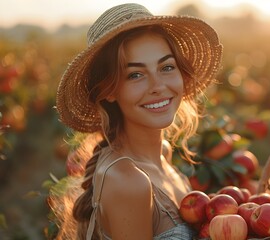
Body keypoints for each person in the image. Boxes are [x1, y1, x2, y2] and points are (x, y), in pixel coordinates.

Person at [54, 3, 222, 239]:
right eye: (135, 74)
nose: (158, 86)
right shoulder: (129, 182)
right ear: (108, 90)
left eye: (166, 67)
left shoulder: (162, 154)